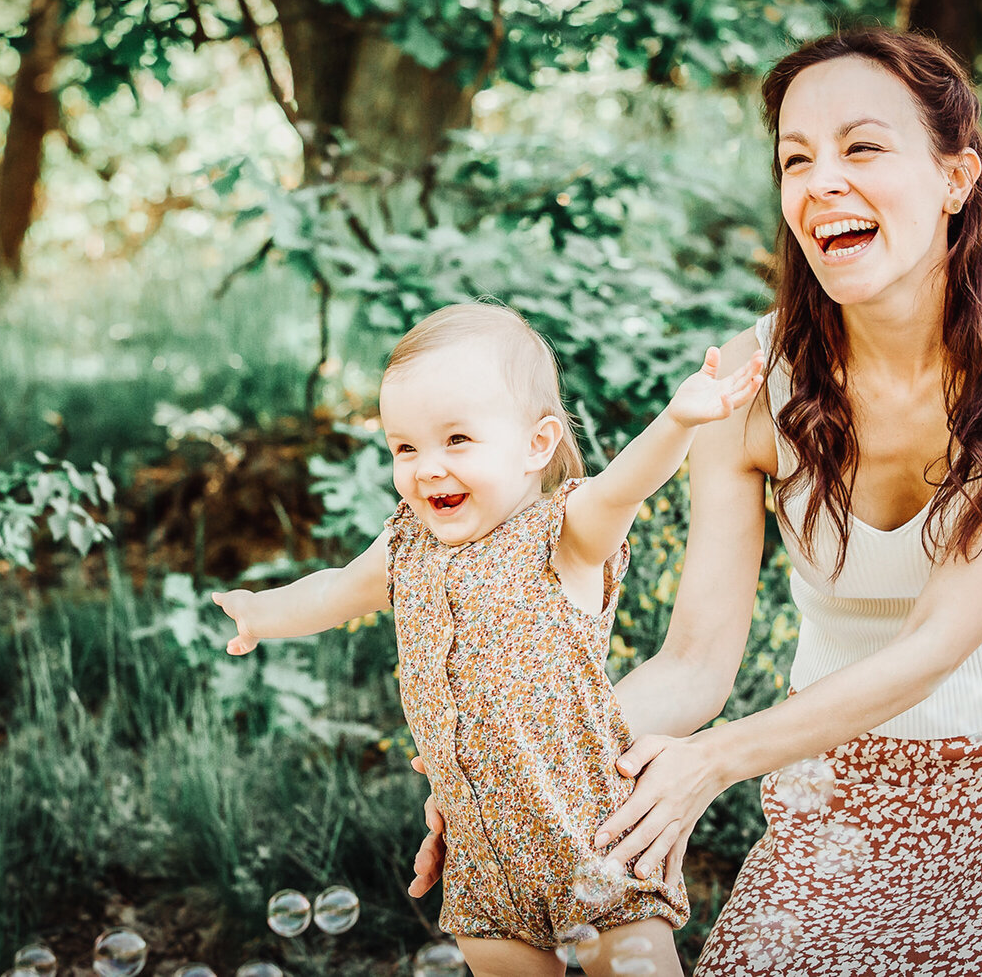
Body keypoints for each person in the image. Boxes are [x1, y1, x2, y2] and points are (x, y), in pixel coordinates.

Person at [409, 28, 982, 975]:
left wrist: (713, 760)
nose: (820, 180)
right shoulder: (750, 387)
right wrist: (512, 763)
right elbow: (697, 663)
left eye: (861, 147)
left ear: (958, 176)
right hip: (838, 792)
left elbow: (935, 644)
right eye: (796, 159)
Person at [212, 301, 765, 977]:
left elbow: (626, 487)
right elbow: (331, 591)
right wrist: (261, 612)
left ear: (537, 445)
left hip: (593, 841)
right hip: (483, 864)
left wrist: (679, 420)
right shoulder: (406, 544)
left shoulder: (564, 536)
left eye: (457, 440)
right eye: (405, 447)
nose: (427, 467)